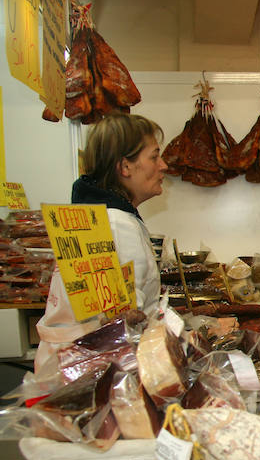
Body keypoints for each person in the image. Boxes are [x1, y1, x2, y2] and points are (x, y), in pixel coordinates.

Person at [35, 113, 168, 379]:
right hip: (89, 378)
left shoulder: (106, 217)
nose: (163, 165)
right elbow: (123, 323)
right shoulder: (116, 225)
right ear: (125, 167)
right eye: (154, 156)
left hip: (76, 368)